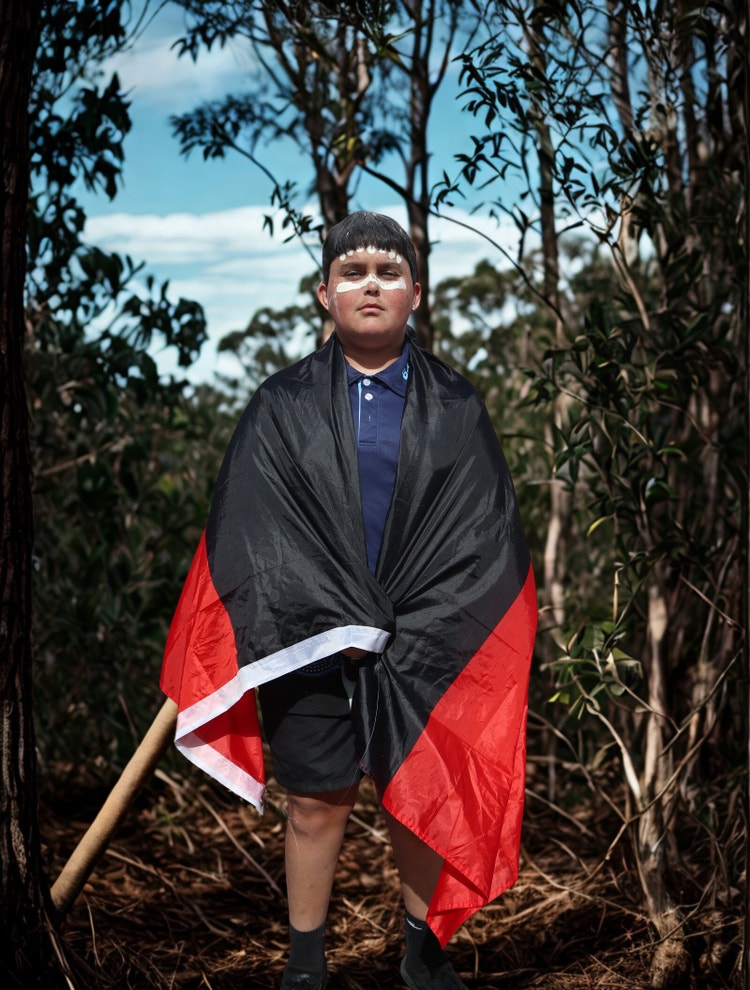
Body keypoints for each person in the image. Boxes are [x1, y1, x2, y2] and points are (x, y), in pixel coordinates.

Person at [160, 212, 537, 990]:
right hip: (310, 634)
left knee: (419, 791)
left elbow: (486, 533)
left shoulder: (458, 405)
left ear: (416, 295)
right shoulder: (281, 404)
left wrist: (422, 623)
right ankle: (305, 967)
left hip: (424, 638)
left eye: (389, 273)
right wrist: (320, 608)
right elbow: (246, 525)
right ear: (324, 293)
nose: (372, 284)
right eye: (355, 272)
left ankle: (422, 957)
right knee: (314, 802)